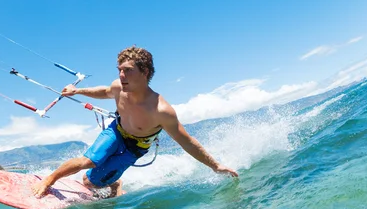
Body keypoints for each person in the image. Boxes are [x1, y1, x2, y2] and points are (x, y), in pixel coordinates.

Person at [32, 46, 238, 198]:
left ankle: (115, 184)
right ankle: (50, 179)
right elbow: (104, 91)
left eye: (128, 70)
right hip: (117, 131)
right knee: (88, 161)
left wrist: (215, 166)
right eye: (119, 69)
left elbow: (187, 142)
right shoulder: (118, 87)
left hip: (135, 147)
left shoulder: (161, 110)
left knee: (90, 181)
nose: (121, 75)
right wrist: (77, 91)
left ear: (145, 72)